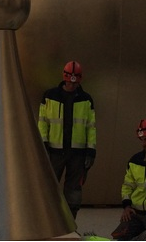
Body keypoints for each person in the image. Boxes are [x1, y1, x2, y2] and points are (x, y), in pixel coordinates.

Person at [38, 60, 96, 219]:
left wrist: (91, 151)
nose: (72, 84)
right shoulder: (50, 96)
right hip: (54, 152)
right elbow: (42, 122)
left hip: (77, 153)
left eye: (75, 80)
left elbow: (91, 127)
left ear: (80, 79)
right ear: (65, 77)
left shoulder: (86, 99)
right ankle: (47, 221)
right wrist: (43, 144)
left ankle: (70, 221)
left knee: (74, 190)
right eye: (70, 79)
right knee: (49, 187)